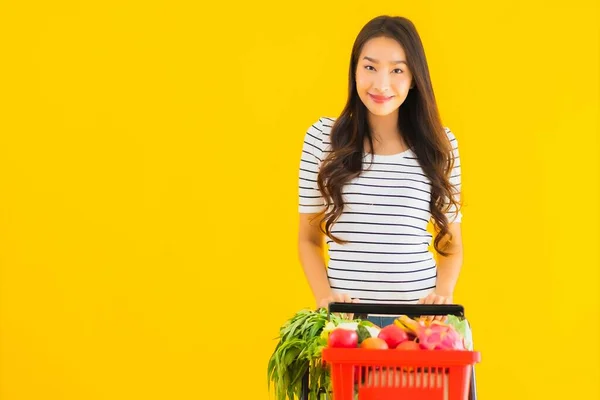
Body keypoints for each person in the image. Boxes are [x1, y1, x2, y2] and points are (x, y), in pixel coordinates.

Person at [297, 15, 465, 328]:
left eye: (397, 70)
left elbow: (452, 245)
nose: (381, 84)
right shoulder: (322, 138)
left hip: (419, 326)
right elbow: (308, 240)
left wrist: (442, 296)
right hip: (347, 325)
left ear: (414, 77)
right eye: (370, 67)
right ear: (354, 70)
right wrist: (326, 300)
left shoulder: (440, 145)